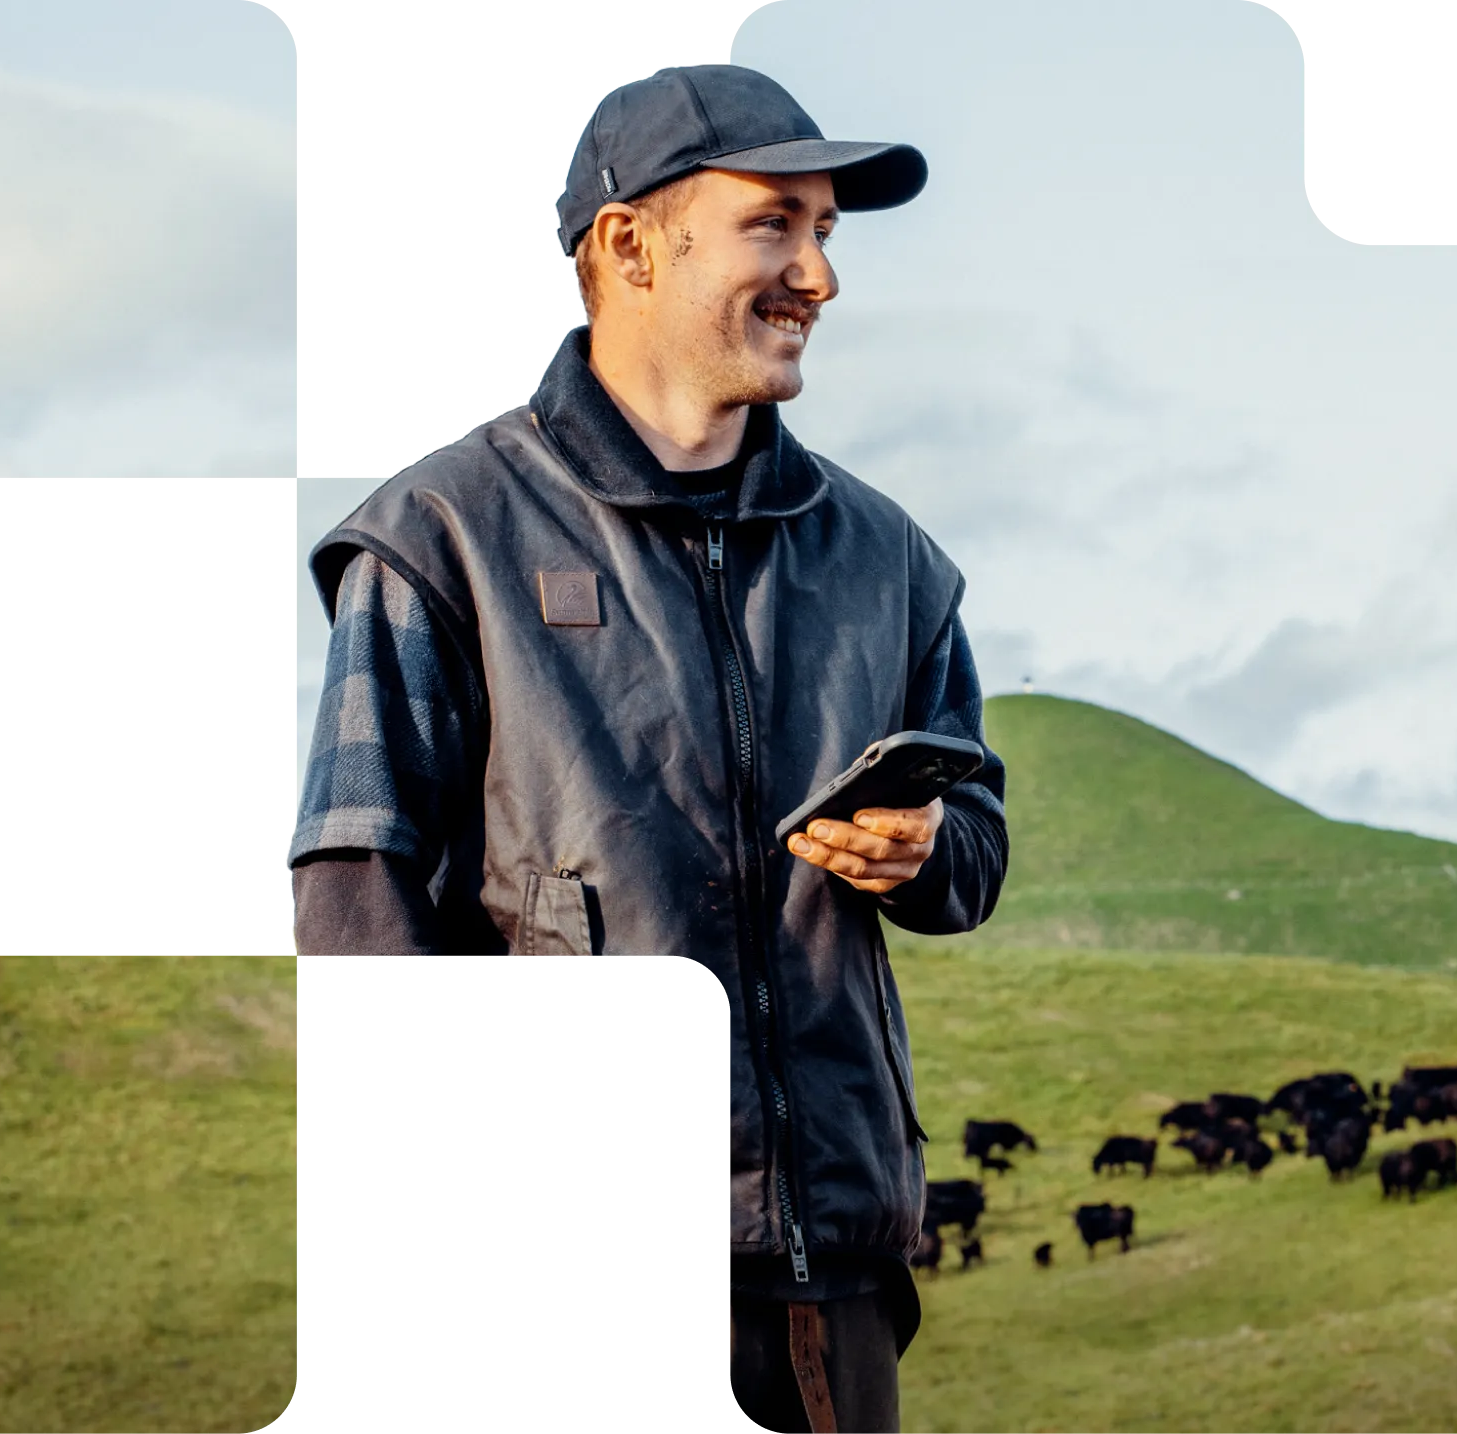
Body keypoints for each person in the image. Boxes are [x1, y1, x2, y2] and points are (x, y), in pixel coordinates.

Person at [288, 64, 1002, 1434]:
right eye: (774, 225)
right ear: (626, 244)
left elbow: (976, 847)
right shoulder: (441, 540)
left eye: (827, 234)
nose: (818, 276)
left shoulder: (889, 564)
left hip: (831, 1299)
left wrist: (923, 849)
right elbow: (358, 918)